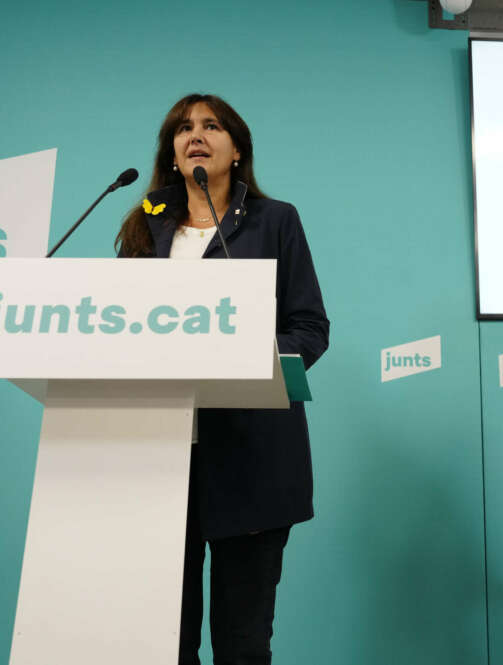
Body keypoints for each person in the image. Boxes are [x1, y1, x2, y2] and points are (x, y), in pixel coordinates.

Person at [115, 93, 329, 665]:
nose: (196, 135)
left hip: (252, 458)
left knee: (242, 643)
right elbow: (118, 329)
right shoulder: (144, 223)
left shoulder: (274, 220)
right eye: (183, 128)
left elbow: (309, 328)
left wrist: (249, 356)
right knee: (166, 641)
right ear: (172, 151)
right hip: (161, 458)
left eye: (212, 126)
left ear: (237, 149)